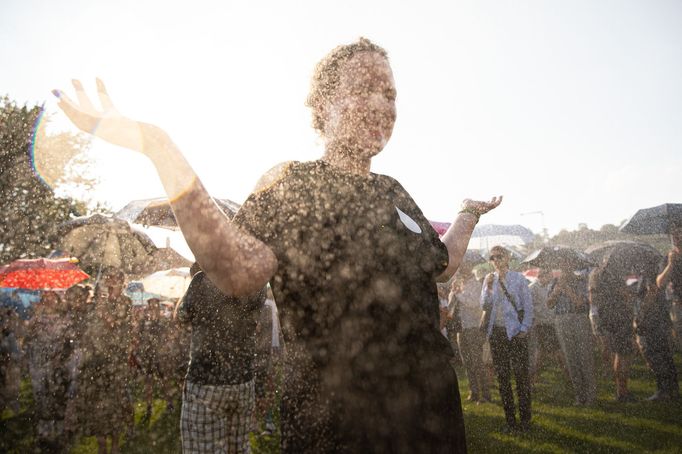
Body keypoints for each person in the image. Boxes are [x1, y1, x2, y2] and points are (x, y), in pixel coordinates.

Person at [53, 37, 502, 453]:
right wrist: (158, 146)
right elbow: (234, 269)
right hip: (340, 428)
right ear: (324, 104)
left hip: (433, 422)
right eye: (365, 88)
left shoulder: (394, 190)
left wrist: (468, 212)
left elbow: (442, 264)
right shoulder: (294, 184)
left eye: (391, 94)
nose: (383, 104)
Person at [176, 262, 266, 454]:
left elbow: (181, 317)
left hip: (207, 383)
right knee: (239, 448)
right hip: (243, 381)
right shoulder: (257, 284)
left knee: (203, 449)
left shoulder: (202, 280)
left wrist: (193, 284)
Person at [480, 246, 533, 432]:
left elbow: (528, 305)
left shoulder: (518, 279)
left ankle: (525, 420)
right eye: (492, 257)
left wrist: (524, 329)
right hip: (497, 334)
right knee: (503, 378)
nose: (495, 260)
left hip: (516, 333)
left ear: (507, 258)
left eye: (499, 256)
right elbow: (484, 306)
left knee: (521, 377)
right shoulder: (489, 280)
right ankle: (510, 421)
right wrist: (487, 288)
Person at [26, 290, 74, 452]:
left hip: (59, 365)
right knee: (42, 396)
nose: (49, 300)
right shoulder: (36, 318)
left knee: (59, 397)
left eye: (52, 296)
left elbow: (71, 340)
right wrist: (33, 322)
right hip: (39, 365)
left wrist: (60, 355)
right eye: (45, 297)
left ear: (58, 299)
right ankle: (44, 434)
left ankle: (59, 433)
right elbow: (26, 337)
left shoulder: (66, 319)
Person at [549, 264, 597, 406]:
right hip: (561, 320)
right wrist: (557, 290)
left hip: (579, 319)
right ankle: (579, 395)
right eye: (562, 267)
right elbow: (549, 304)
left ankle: (591, 396)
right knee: (570, 358)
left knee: (585, 357)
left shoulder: (581, 281)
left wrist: (567, 289)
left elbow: (581, 304)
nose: (564, 270)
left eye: (567, 266)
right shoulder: (554, 282)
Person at [588, 265, 636, 402]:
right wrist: (628, 293)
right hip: (620, 317)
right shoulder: (612, 273)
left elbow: (593, 298)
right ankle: (623, 392)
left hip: (607, 317)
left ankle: (620, 391)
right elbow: (624, 295)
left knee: (618, 354)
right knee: (624, 355)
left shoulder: (595, 274)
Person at [451, 265, 490, 403]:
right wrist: (453, 292)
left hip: (473, 327)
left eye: (463, 267)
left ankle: (485, 394)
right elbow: (452, 305)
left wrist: (458, 294)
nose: (460, 270)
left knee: (477, 362)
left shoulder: (477, 285)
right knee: (466, 362)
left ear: (469, 268)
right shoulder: (460, 284)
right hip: (461, 328)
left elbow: (474, 303)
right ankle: (473, 392)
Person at [528, 268, 562, 385]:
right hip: (540, 324)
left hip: (551, 323)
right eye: (549, 276)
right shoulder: (532, 288)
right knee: (544, 352)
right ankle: (532, 378)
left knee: (547, 351)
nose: (551, 278)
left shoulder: (549, 286)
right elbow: (529, 307)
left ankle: (534, 377)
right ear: (542, 275)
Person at [657, 223, 682, 351]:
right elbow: (660, 283)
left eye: (680, 233)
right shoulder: (667, 258)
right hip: (677, 305)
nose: (678, 238)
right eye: (675, 235)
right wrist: (670, 264)